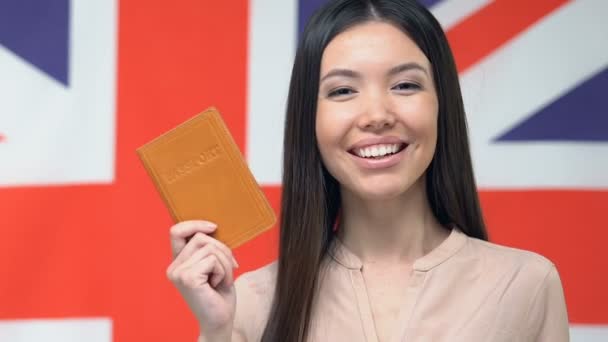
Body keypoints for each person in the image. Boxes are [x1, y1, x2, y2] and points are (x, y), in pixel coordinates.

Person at [166, 0, 570, 341]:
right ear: (310, 119)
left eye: (405, 85)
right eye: (343, 91)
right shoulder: (252, 302)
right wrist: (216, 331)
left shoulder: (526, 285)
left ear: (441, 103)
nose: (376, 115)